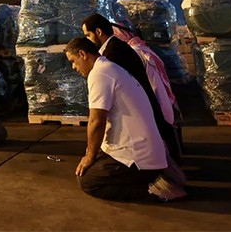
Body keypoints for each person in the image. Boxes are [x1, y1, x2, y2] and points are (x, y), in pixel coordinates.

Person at [65, 37, 186, 202]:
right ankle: (155, 178)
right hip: (148, 151)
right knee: (94, 163)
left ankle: (154, 191)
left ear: (82, 54)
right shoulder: (109, 67)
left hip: (139, 156)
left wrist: (90, 156)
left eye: (73, 61)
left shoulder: (99, 74)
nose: (74, 67)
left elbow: (96, 121)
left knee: (88, 181)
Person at [81, 13, 182, 165]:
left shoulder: (112, 54)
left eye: (88, 35)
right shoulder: (117, 47)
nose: (87, 40)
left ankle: (167, 175)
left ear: (98, 32)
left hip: (139, 108)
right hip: (145, 103)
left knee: (158, 147)